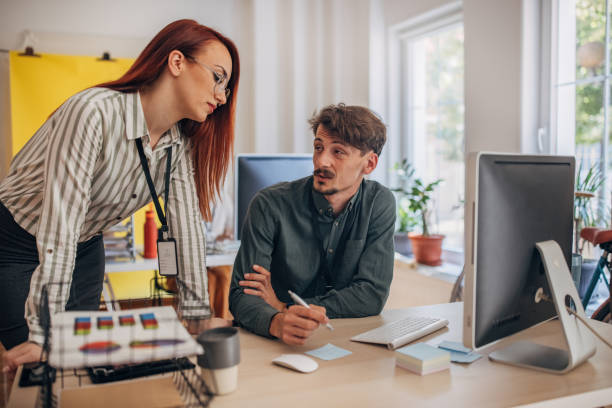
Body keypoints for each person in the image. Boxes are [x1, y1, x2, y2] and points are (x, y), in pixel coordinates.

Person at [0, 19, 240, 373]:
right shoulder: (93, 112)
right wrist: (42, 331)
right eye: (218, 77)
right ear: (176, 62)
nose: (221, 96)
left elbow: (186, 230)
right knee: (42, 365)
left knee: (77, 363)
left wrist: (196, 316)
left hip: (84, 247)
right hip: (17, 243)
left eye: (227, 87)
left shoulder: (179, 145)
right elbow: (60, 224)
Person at [229, 104, 395, 345]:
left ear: (369, 164)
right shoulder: (269, 205)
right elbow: (242, 296)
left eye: (338, 152)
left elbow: (372, 295)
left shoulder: (379, 203)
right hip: (276, 343)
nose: (321, 161)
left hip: (345, 341)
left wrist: (285, 306)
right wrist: (276, 320)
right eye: (319, 148)